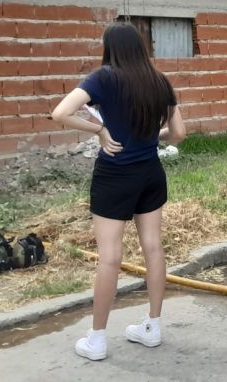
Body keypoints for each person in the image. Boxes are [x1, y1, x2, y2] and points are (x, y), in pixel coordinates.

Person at [51, 21, 186, 361]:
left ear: (109, 48)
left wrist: (99, 129)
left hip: (115, 174)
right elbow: (179, 133)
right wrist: (152, 134)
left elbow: (60, 113)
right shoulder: (159, 81)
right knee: (153, 247)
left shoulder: (103, 78)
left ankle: (96, 340)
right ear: (141, 47)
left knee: (110, 256)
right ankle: (152, 328)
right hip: (151, 173)